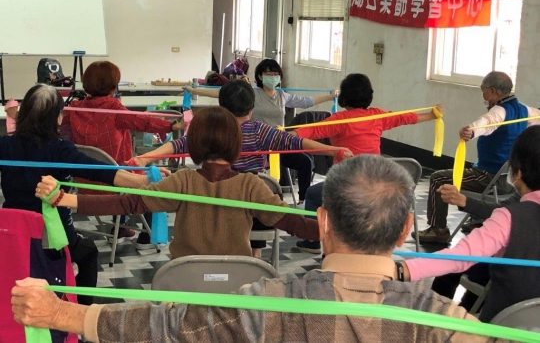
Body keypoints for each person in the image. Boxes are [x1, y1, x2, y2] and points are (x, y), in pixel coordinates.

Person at [13, 155, 489, 342]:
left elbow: (164, 326)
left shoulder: (265, 304)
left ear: (323, 222)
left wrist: (61, 313)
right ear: (407, 228)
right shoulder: (449, 323)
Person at [35, 106, 319, 260]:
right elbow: (292, 221)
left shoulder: (184, 180)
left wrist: (66, 199)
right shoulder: (251, 185)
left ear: (194, 143)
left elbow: (127, 203)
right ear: (236, 143)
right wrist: (334, 230)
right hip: (236, 285)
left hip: (184, 283)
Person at [135, 81, 351, 258]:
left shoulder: (210, 131)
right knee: (260, 195)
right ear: (251, 108)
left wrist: (146, 158)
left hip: (213, 211)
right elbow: (297, 143)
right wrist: (332, 151)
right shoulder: (259, 131)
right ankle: (255, 256)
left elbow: (177, 145)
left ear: (221, 107)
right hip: (256, 211)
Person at [0, 84, 154, 305]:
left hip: (12, 233)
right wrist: (146, 181)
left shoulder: (5, 145)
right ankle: (80, 314)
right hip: (52, 237)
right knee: (88, 252)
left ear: (23, 115)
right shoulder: (60, 149)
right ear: (58, 118)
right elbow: (103, 172)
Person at [291, 73, 442, 254]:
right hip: (377, 187)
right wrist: (432, 115)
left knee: (312, 194)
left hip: (347, 187)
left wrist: (279, 136)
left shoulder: (340, 119)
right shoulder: (377, 115)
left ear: (345, 96)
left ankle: (312, 242)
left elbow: (308, 132)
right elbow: (405, 118)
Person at [401, 125, 540, 322]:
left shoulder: (510, 217)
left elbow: (461, 256)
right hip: (527, 322)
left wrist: (400, 270)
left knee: (465, 270)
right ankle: (459, 315)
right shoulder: (514, 211)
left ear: (517, 173)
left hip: (504, 325)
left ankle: (440, 320)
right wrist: (464, 201)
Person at [62, 61, 184, 248]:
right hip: (116, 181)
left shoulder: (74, 110)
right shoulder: (115, 110)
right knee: (152, 176)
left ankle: (121, 228)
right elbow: (143, 121)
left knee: (125, 167)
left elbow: (62, 136)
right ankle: (146, 236)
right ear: (113, 86)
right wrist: (172, 125)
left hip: (84, 183)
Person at [186, 59, 338, 203]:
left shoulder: (282, 96)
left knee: (306, 161)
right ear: (260, 76)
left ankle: (303, 199)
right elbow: (223, 93)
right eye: (268, 73)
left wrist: (330, 97)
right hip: (256, 144)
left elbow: (306, 102)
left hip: (276, 142)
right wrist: (195, 91)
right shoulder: (252, 94)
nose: (272, 77)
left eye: (275, 74)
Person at [414, 71, 540, 244]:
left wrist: (471, 131)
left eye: (483, 90)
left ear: (492, 91)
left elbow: (486, 123)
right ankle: (478, 220)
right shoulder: (524, 109)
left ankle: (438, 230)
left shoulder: (499, 111)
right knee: (471, 169)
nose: (483, 95)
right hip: (509, 180)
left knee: (438, 178)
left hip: (489, 178)